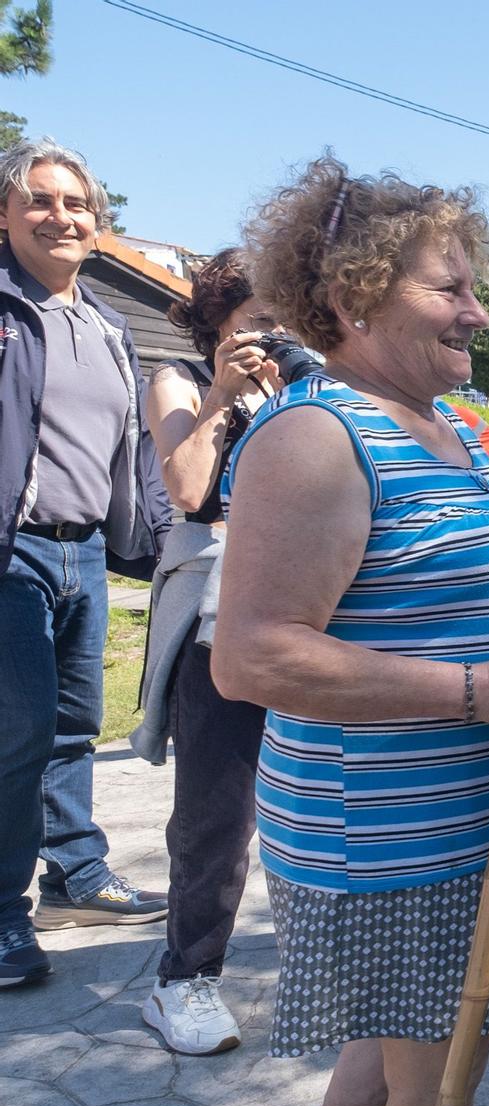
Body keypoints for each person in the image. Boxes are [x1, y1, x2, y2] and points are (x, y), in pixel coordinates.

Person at [211, 157, 489, 1106]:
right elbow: (252, 656)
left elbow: (439, 575)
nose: (480, 308)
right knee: (440, 1061)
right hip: (392, 830)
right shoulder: (312, 436)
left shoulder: (443, 423)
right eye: (450, 287)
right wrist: (481, 687)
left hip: (470, 809)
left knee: (410, 1021)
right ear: (358, 294)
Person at [0, 137, 173, 988]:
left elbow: (132, 448)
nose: (59, 215)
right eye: (39, 198)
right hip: (12, 552)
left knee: (70, 727)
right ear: (6, 212)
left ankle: (73, 874)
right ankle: (2, 917)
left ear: (98, 225)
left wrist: (156, 531)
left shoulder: (107, 324)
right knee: (16, 732)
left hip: (85, 551)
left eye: (76, 204)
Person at [129, 249, 282, 1052]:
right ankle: (183, 979)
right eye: (257, 318)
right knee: (218, 810)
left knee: (317, 794)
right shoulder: (180, 381)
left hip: (305, 610)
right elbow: (188, 492)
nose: (272, 333)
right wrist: (225, 391)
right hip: (220, 614)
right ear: (218, 318)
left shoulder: (303, 384)